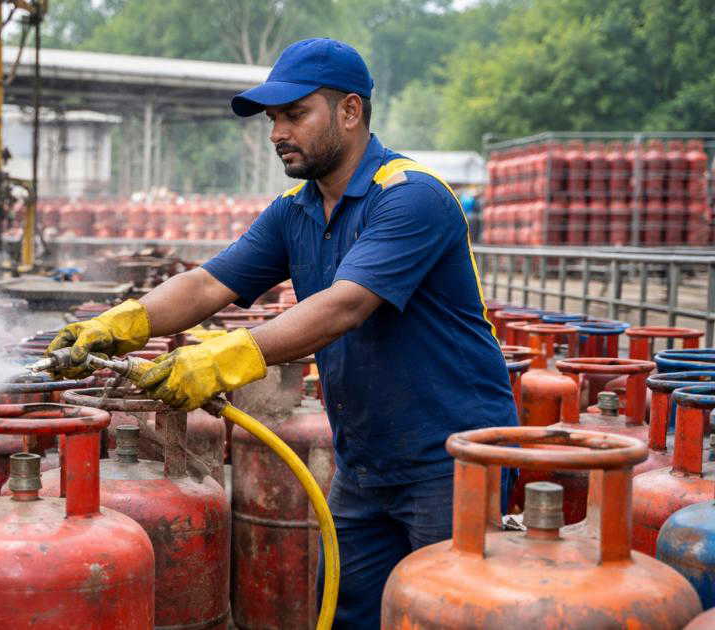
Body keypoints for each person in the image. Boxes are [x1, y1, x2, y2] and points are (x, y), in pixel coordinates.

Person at [47, 37, 516, 629]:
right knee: (347, 614)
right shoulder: (296, 209)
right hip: (364, 463)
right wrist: (118, 325)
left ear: (350, 111)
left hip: (453, 461)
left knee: (443, 616)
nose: (277, 133)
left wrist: (221, 359)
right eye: (273, 119)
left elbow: (345, 305)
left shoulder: (410, 197)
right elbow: (207, 285)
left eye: (295, 114)